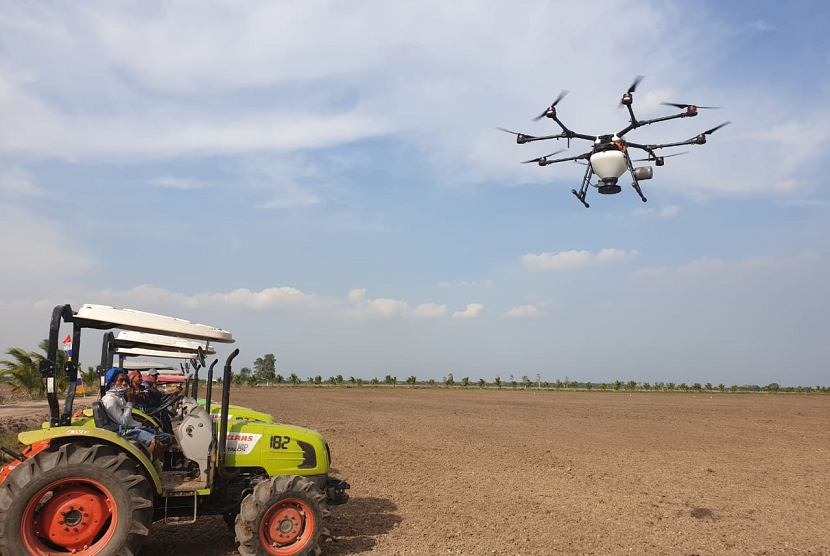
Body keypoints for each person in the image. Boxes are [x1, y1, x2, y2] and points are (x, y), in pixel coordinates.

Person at [101, 367, 172, 459]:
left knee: (170, 438)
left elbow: (126, 415)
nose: (124, 383)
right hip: (125, 430)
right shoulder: (110, 400)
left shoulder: (119, 397)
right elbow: (123, 422)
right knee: (156, 443)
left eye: (125, 380)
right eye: (120, 381)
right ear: (112, 383)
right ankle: (144, 467)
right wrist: (130, 400)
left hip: (133, 427)